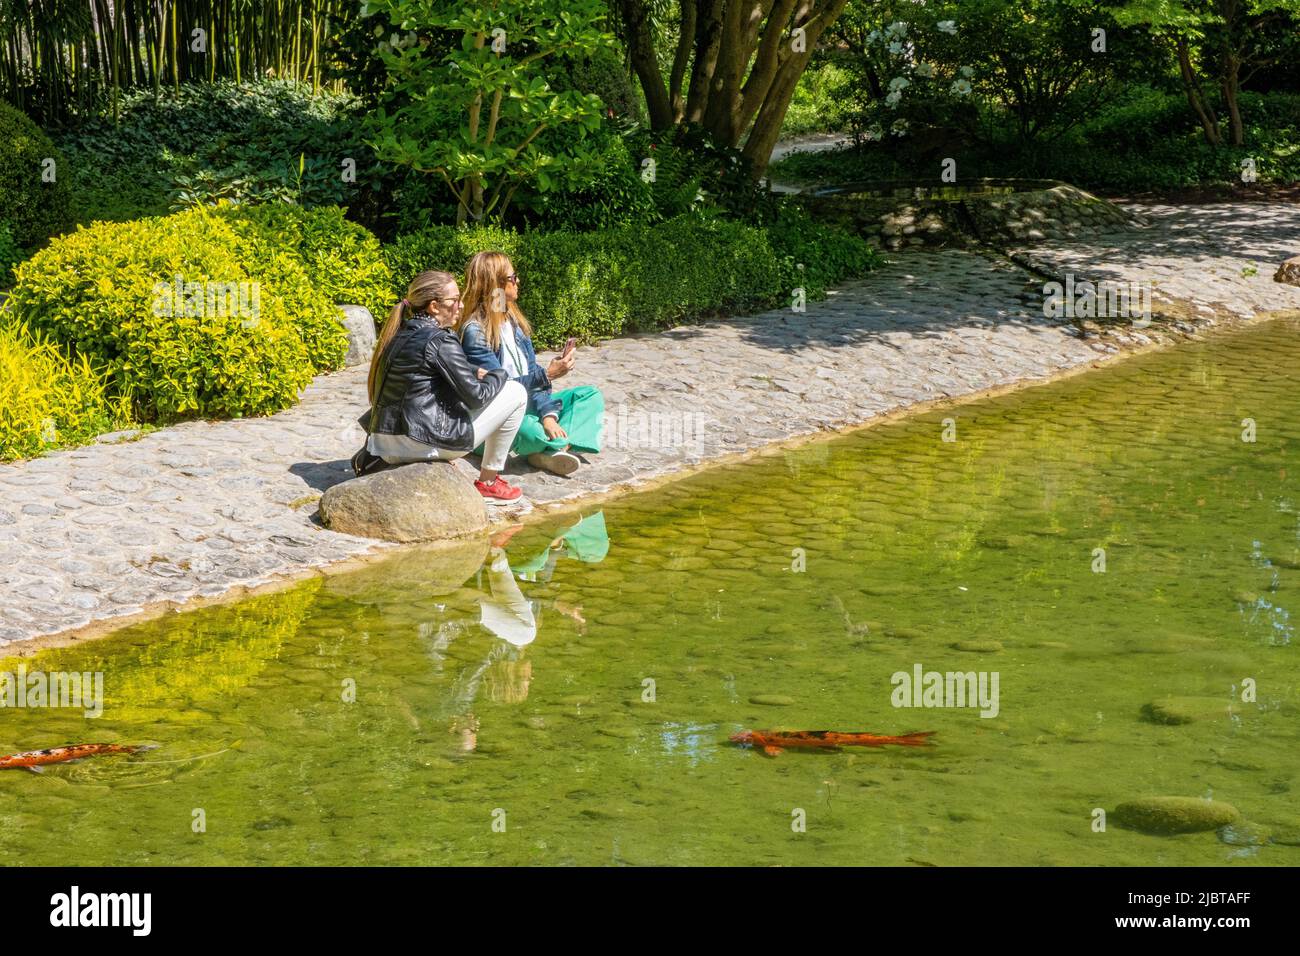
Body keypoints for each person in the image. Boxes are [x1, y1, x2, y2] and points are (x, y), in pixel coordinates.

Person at [363, 269, 527, 503]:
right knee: (516, 392)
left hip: (383, 444)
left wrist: (471, 370)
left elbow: (423, 372)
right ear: (433, 306)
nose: (460, 306)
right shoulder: (441, 338)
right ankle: (489, 481)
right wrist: (499, 374)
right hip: (417, 443)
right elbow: (477, 397)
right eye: (454, 300)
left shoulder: (398, 334)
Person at [457, 251, 604, 477]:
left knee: (589, 396)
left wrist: (548, 415)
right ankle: (553, 447)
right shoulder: (476, 332)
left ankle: (548, 450)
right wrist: (548, 375)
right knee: (528, 430)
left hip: (527, 406)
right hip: (496, 418)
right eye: (513, 277)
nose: (518, 281)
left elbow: (533, 372)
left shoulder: (514, 322)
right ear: (496, 283)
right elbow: (500, 389)